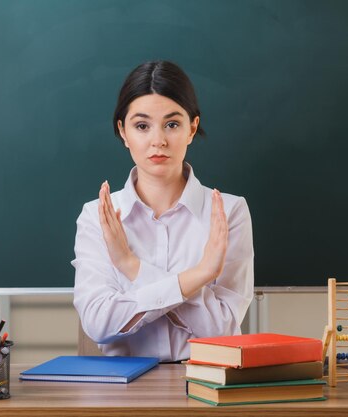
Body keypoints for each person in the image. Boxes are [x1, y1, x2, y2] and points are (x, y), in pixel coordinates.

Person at [72, 61, 254, 362]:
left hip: (206, 385)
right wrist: (197, 277)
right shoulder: (97, 216)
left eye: (172, 124)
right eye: (142, 126)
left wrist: (132, 267)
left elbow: (222, 329)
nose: (158, 140)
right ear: (123, 132)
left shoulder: (229, 212)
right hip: (122, 394)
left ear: (192, 128)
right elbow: (98, 324)